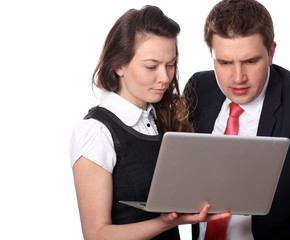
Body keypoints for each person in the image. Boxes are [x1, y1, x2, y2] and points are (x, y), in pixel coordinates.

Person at [183, 0, 290, 239]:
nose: (238, 77)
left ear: (271, 52)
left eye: (250, 61)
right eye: (224, 62)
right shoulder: (199, 88)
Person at [69, 5, 230, 240]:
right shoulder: (96, 132)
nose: (165, 78)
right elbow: (96, 235)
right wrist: (163, 222)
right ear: (118, 66)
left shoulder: (158, 118)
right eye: (151, 67)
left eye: (171, 64)